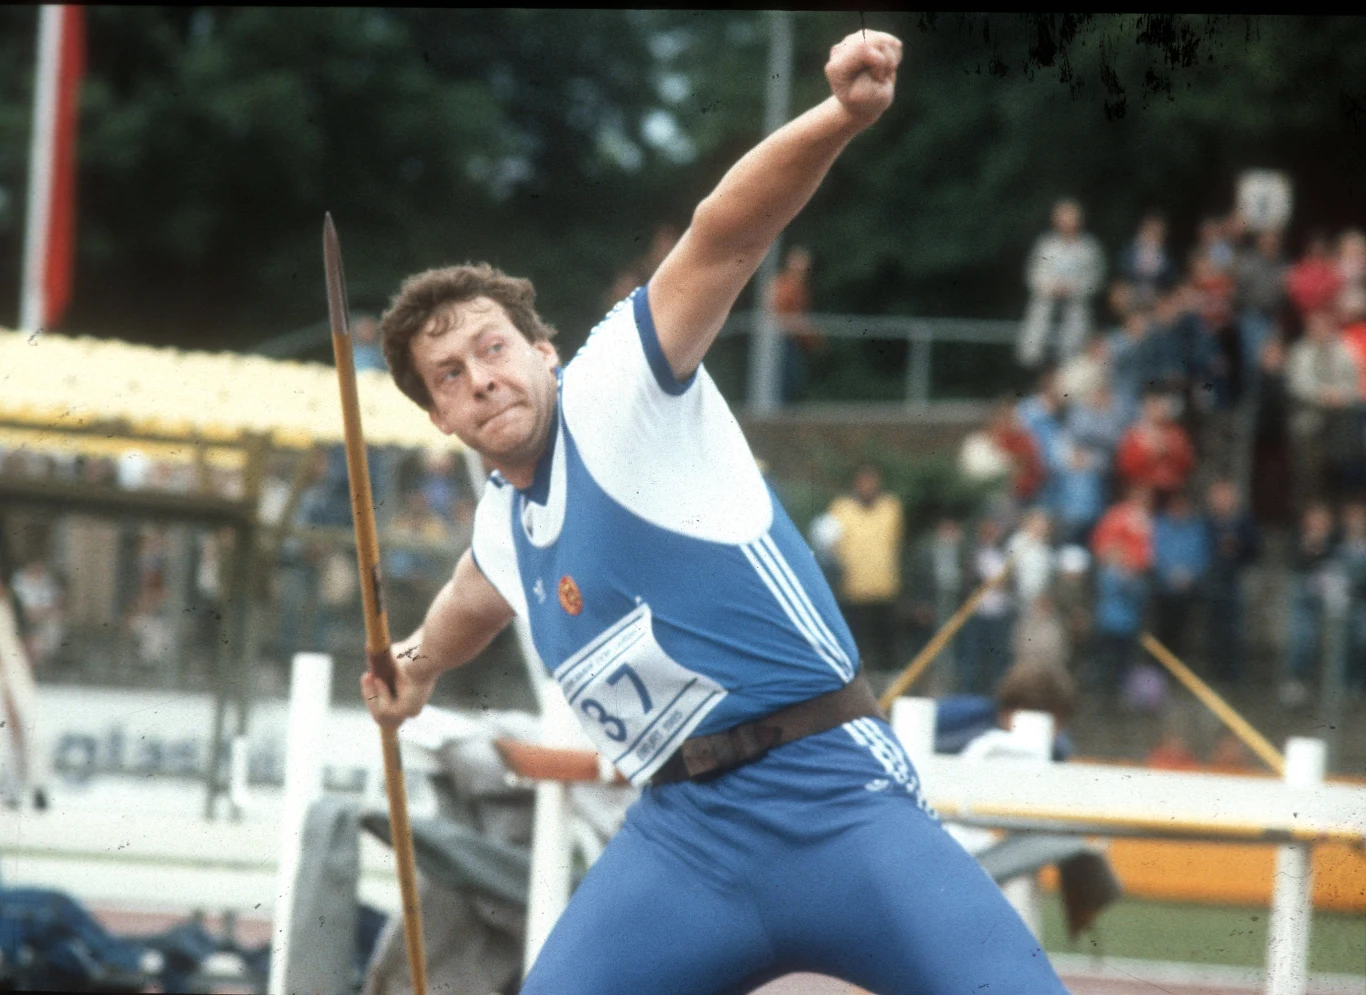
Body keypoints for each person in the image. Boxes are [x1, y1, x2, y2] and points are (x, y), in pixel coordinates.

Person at [362, 30, 1068, 994]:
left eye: (493, 348)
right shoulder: (499, 522)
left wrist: (841, 118)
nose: (481, 380)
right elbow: (467, 604)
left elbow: (725, 233)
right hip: (683, 844)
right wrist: (416, 666)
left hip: (831, 794)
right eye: (451, 376)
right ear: (439, 416)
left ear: (544, 348)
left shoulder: (618, 387)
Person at [827, 464, 904, 674]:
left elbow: (895, 542)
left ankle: (888, 679)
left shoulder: (890, 506)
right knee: (857, 642)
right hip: (853, 589)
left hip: (884, 588)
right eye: (863, 481)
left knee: (885, 641)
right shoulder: (841, 507)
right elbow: (832, 544)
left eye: (872, 481)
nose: (868, 486)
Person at [1019, 198, 1106, 368]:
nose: (1067, 222)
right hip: (1046, 308)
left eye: (1072, 217)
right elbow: (1033, 275)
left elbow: (1096, 280)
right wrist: (1051, 286)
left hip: (1074, 310)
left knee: (1071, 360)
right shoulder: (1045, 245)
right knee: (1036, 359)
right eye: (1063, 217)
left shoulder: (1089, 247)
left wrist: (1073, 288)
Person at [769, 245, 825, 403]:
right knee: (785, 379)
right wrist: (811, 336)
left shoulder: (801, 287)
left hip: (793, 340)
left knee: (793, 379)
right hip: (780, 339)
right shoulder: (782, 285)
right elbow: (779, 314)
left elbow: (800, 316)